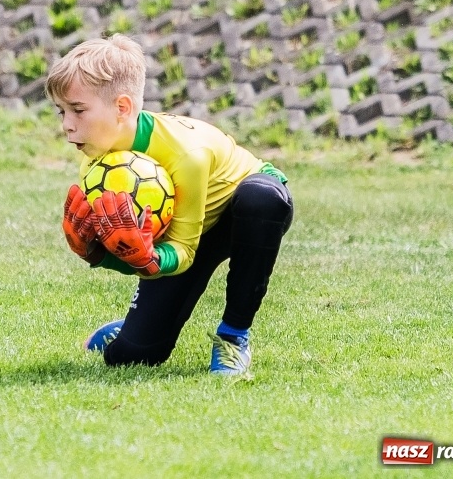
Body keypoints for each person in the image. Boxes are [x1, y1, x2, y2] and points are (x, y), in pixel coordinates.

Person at [46, 34, 293, 375]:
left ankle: (233, 337)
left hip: (244, 209)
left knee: (261, 201)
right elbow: (139, 249)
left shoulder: (186, 153)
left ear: (122, 108)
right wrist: (100, 256)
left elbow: (182, 251)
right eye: (62, 111)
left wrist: (151, 258)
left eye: (78, 110)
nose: (67, 124)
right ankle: (133, 327)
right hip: (190, 231)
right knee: (130, 356)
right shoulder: (96, 164)